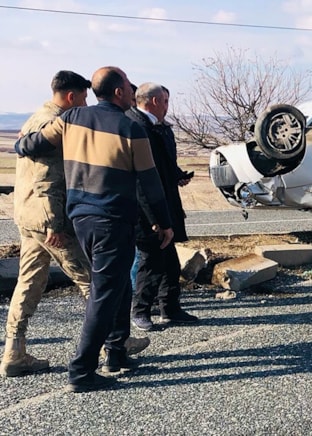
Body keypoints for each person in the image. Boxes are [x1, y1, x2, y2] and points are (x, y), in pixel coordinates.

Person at [15, 66, 173, 393]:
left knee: (119, 285)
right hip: (112, 219)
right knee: (103, 293)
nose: (133, 92)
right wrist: (164, 221)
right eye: (129, 87)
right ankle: (81, 370)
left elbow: (33, 144)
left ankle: (116, 352)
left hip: (81, 219)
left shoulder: (71, 119)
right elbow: (150, 182)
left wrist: (21, 143)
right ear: (118, 92)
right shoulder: (131, 128)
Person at [127, 83, 198, 331]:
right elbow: (140, 178)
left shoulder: (160, 128)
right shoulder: (135, 127)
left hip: (164, 203)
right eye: (165, 101)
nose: (168, 107)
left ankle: (170, 308)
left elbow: (163, 164)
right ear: (156, 101)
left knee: (169, 261)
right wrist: (154, 218)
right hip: (145, 210)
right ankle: (140, 311)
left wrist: (177, 175)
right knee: (150, 261)